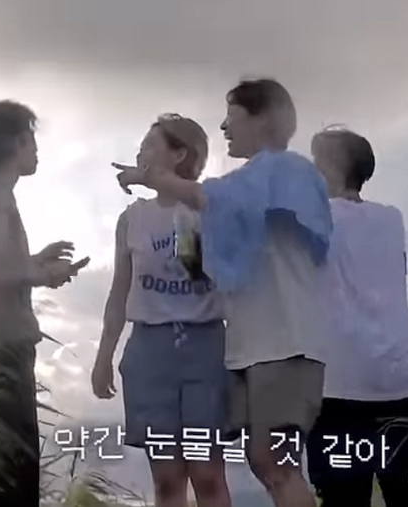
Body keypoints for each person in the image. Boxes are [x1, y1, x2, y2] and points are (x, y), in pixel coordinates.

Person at [113, 79, 332, 507]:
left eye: (232, 118)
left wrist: (149, 178)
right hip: (254, 349)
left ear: (263, 119)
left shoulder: (285, 170)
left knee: (275, 464)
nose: (224, 128)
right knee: (265, 462)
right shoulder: (247, 182)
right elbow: (202, 252)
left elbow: (207, 196)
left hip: (285, 345)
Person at [0, 100, 89, 507]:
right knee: (12, 475)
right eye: (31, 139)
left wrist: (36, 261)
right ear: (16, 142)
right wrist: (47, 273)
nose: (36, 149)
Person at [91, 114, 232, 507]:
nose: (141, 152)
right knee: (167, 478)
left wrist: (185, 226)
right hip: (150, 348)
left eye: (150, 145)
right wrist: (104, 356)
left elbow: (200, 272)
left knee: (207, 473)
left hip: (205, 345)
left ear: (179, 154)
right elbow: (119, 292)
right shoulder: (132, 219)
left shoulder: (208, 207)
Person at [305, 126, 408, 507]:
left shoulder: (311, 220)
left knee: (343, 500)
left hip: (340, 388)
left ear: (329, 169)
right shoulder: (390, 219)